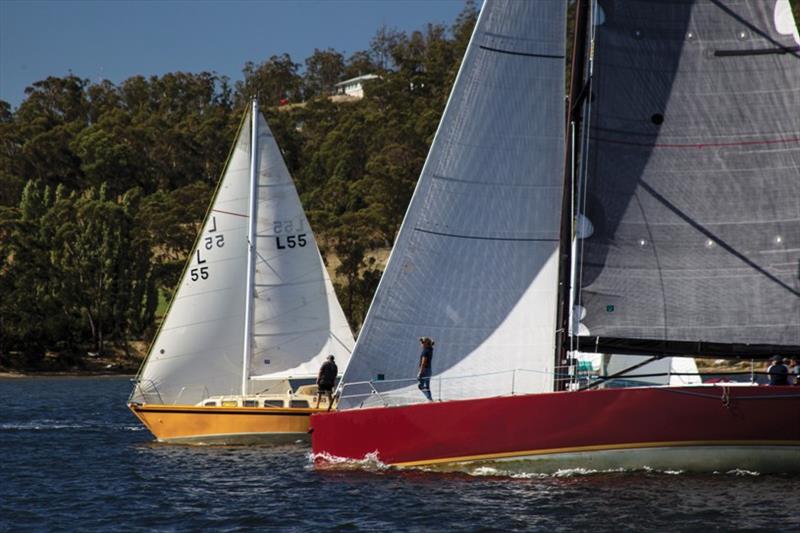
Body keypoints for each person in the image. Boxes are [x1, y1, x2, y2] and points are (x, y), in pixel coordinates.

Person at [417, 337, 434, 401]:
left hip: (425, 370)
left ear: (426, 343)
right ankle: (430, 399)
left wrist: (420, 372)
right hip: (429, 370)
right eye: (421, 342)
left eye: (423, 342)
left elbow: (423, 363)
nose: (421, 343)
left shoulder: (425, 351)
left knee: (420, 385)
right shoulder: (430, 349)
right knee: (427, 386)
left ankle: (429, 399)